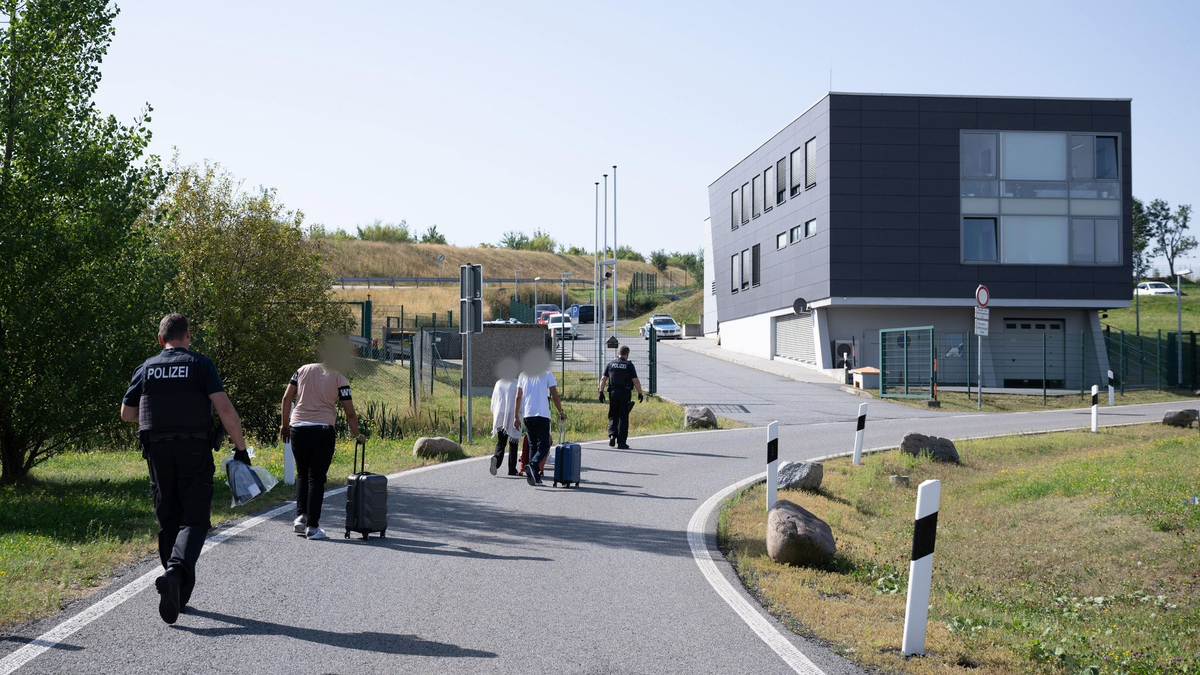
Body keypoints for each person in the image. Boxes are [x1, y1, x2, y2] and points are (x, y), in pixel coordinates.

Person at [120, 313, 248, 625]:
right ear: (187, 335)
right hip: (193, 448)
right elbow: (224, 408)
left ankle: (178, 591)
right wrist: (240, 449)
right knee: (195, 520)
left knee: (168, 520)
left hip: (157, 450)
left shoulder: (146, 367)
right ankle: (176, 574)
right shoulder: (201, 364)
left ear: (160, 339)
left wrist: (160, 416)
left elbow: (127, 413)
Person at [279, 335, 366, 541]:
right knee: (316, 478)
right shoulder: (339, 377)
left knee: (302, 474)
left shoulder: (302, 370)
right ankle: (313, 526)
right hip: (322, 430)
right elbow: (350, 412)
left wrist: (285, 424)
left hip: (298, 428)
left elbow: (286, 398)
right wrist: (358, 435)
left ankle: (300, 517)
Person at [512, 350, 566, 486]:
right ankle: (534, 465)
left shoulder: (523, 375)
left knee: (532, 445)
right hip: (542, 414)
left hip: (528, 414)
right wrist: (561, 411)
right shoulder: (547, 375)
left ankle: (535, 476)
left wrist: (515, 417)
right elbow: (555, 396)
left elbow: (518, 397)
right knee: (544, 445)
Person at [599, 345, 644, 450]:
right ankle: (621, 443)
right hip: (624, 393)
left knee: (613, 414)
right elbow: (635, 381)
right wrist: (640, 393)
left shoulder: (610, 364)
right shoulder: (629, 365)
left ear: (618, 353)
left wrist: (601, 392)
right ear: (627, 354)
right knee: (623, 417)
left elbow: (603, 379)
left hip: (613, 393)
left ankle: (612, 435)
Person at [489, 358, 521, 477]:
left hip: (500, 414)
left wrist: (495, 413)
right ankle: (512, 469)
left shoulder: (499, 383)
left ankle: (496, 459)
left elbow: (494, 401)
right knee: (513, 441)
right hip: (513, 414)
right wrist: (519, 415)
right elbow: (519, 400)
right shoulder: (516, 383)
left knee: (501, 441)